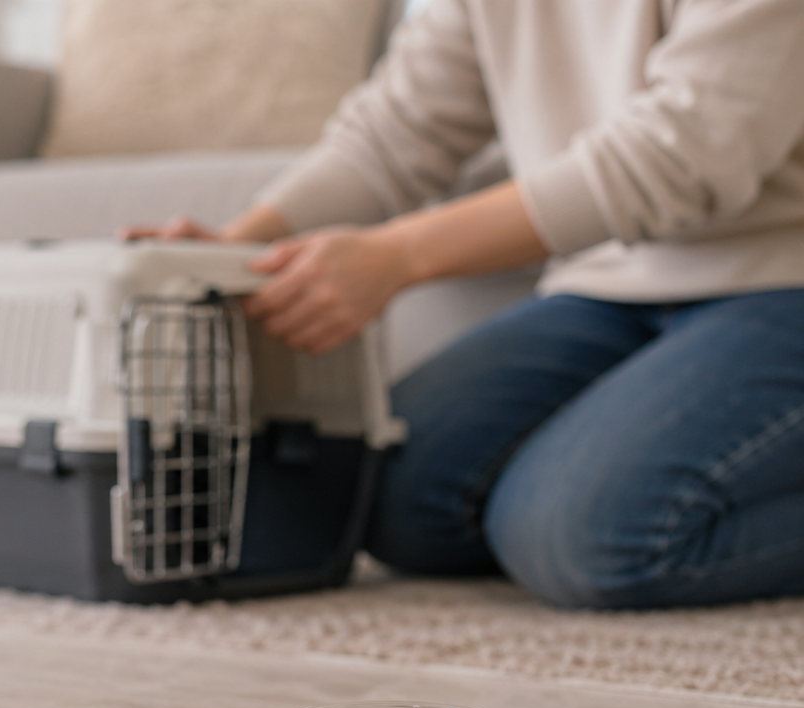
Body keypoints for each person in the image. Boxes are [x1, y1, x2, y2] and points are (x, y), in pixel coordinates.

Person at [123, 0, 804, 609]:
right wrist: (240, 246)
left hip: (780, 278)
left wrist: (398, 257)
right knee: (381, 498)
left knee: (590, 535)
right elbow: (392, 137)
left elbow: (679, 151)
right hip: (604, 286)